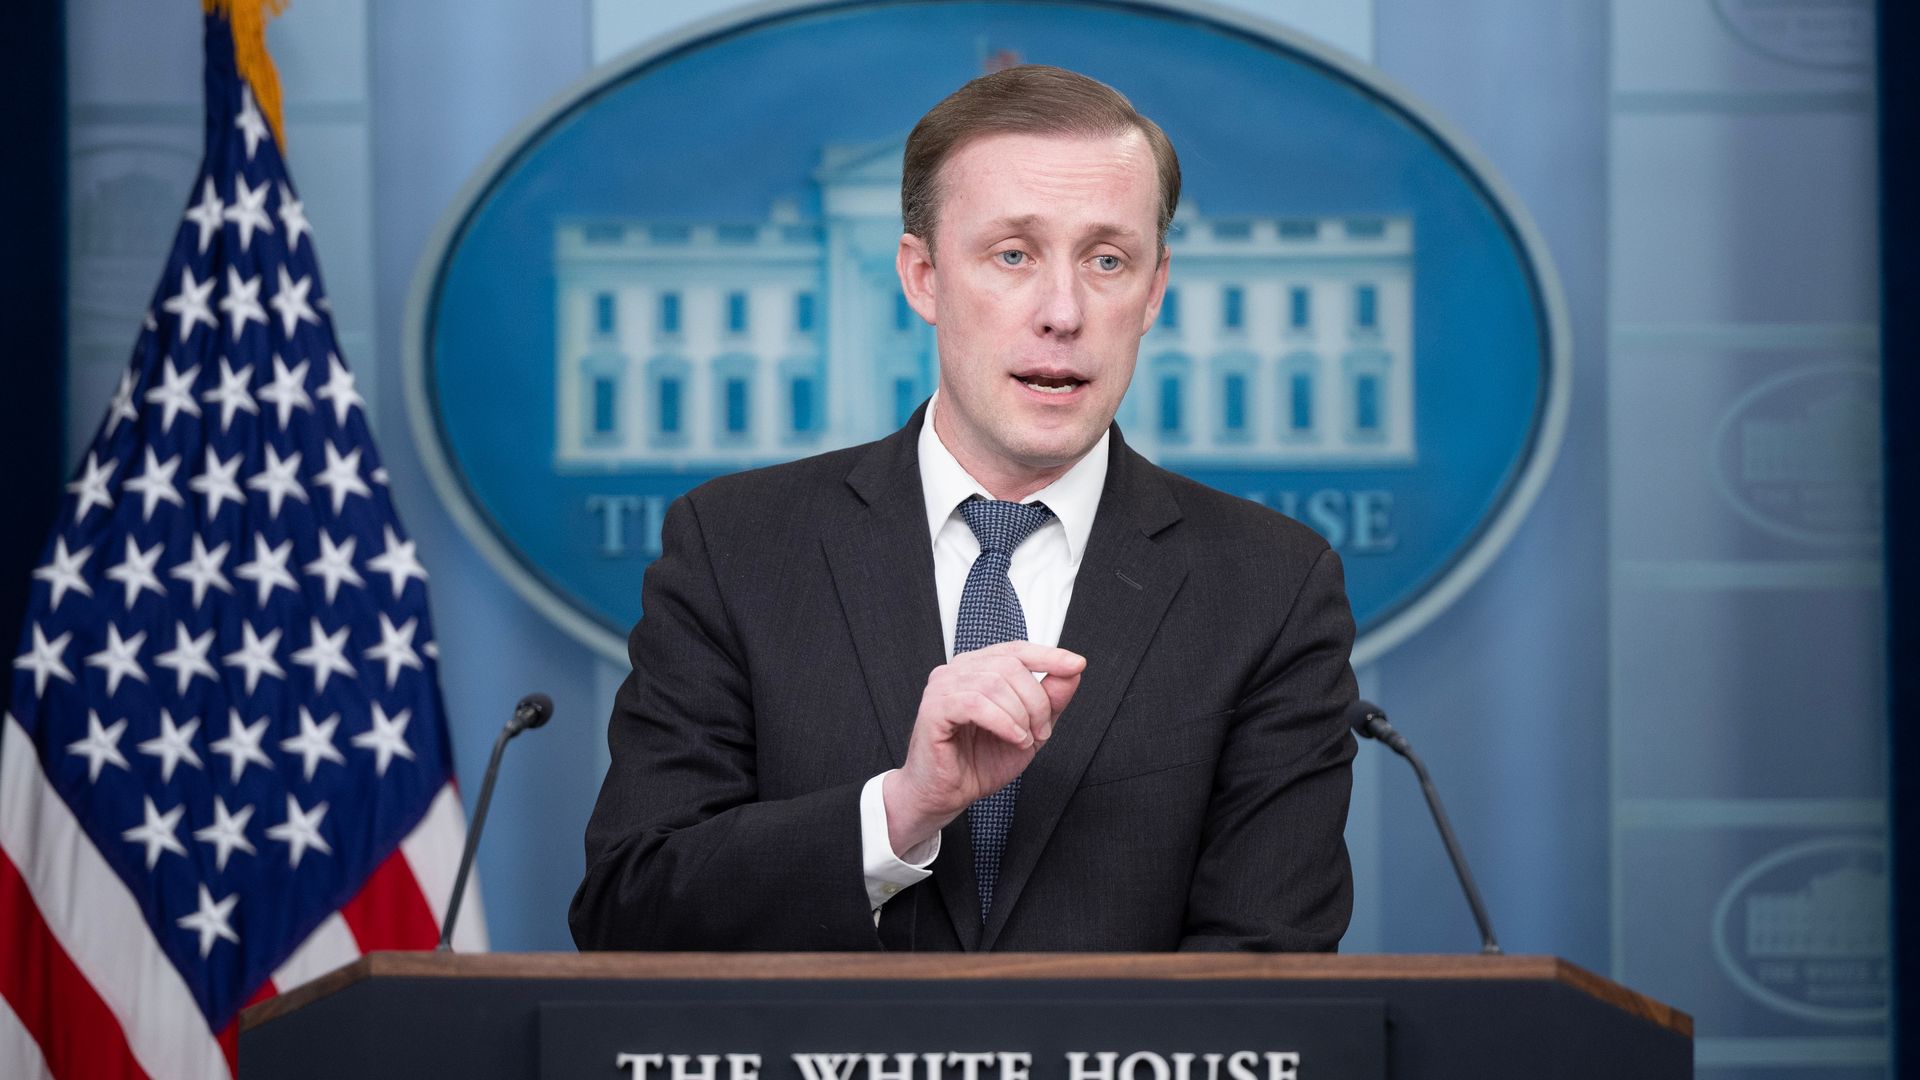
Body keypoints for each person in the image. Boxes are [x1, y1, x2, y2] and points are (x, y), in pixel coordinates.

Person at [570, 65, 1358, 952]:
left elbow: (1269, 971)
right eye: (1013, 255)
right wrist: (899, 814)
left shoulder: (1272, 586)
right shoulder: (735, 549)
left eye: (1107, 259)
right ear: (922, 278)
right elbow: (628, 914)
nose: (1063, 312)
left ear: (1154, 290)